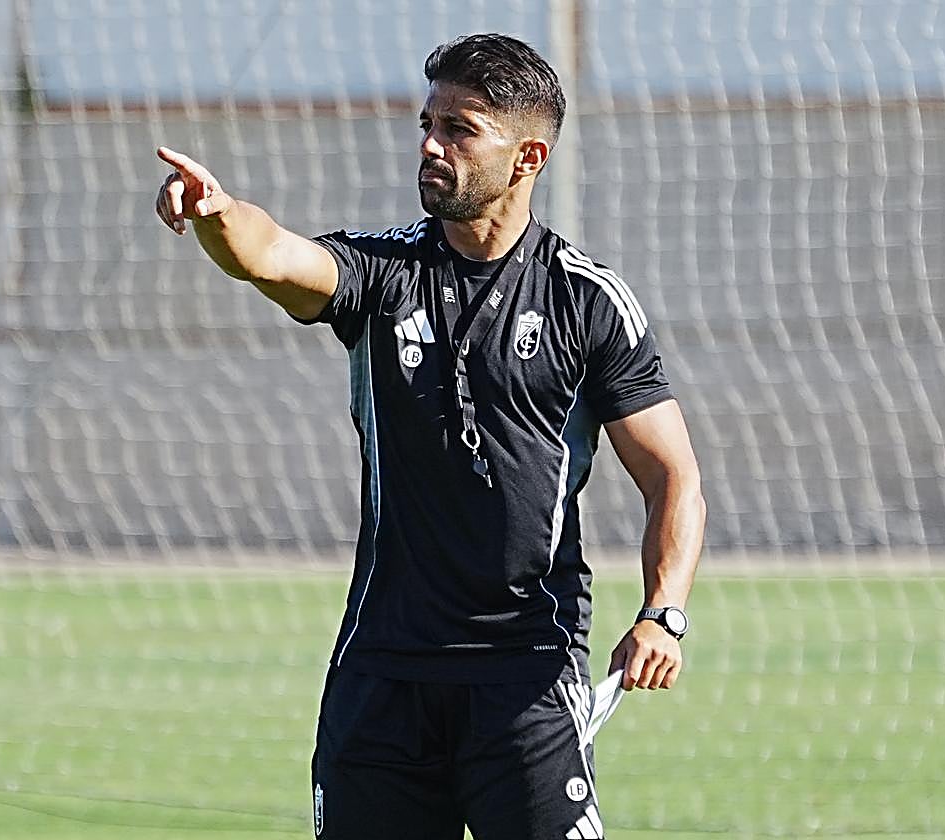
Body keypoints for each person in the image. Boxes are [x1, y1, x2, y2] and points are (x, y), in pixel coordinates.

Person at [154, 32, 704, 840]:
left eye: (460, 128)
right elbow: (273, 256)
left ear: (527, 157)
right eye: (427, 122)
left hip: (526, 675)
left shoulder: (587, 301)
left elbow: (673, 477)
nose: (430, 145)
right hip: (382, 676)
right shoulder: (382, 274)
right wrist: (216, 214)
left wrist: (665, 613)